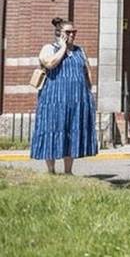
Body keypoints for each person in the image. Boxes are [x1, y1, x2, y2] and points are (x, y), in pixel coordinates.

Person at [30, 18, 98, 174]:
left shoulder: (79, 51)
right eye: (68, 32)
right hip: (54, 99)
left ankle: (68, 171)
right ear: (59, 34)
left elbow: (87, 72)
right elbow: (50, 63)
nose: (72, 35)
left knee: (71, 132)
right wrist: (62, 48)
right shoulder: (49, 48)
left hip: (76, 99)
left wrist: (88, 92)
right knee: (51, 130)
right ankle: (51, 171)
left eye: (74, 32)